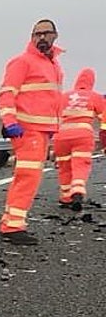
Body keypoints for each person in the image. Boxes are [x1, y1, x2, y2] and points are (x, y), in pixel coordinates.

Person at [0, 19, 64, 245]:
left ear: (55, 35)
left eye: (46, 33)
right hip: (27, 130)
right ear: (31, 37)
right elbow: (6, 94)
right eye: (37, 34)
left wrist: (53, 128)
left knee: (28, 177)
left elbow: (49, 100)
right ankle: (12, 227)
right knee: (28, 177)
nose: (41, 37)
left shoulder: (53, 65)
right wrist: (9, 121)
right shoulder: (22, 62)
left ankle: (11, 222)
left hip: (41, 130)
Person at [53, 68, 106, 211]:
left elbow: (52, 115)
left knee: (64, 166)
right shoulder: (95, 97)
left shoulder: (64, 96)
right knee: (80, 164)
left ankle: (66, 197)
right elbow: (104, 119)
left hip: (61, 136)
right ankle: (77, 190)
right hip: (82, 136)